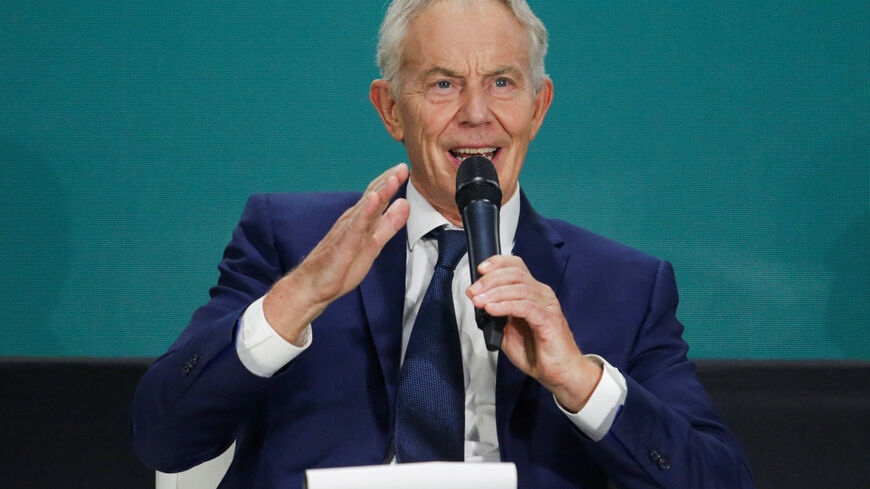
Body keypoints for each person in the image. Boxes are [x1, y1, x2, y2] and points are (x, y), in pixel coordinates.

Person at [132, 1, 754, 488]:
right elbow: (163, 437)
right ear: (390, 109)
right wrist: (297, 296)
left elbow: (720, 479)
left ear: (539, 107)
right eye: (443, 84)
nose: (478, 114)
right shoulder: (291, 240)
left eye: (504, 83)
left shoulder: (624, 288)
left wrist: (581, 382)